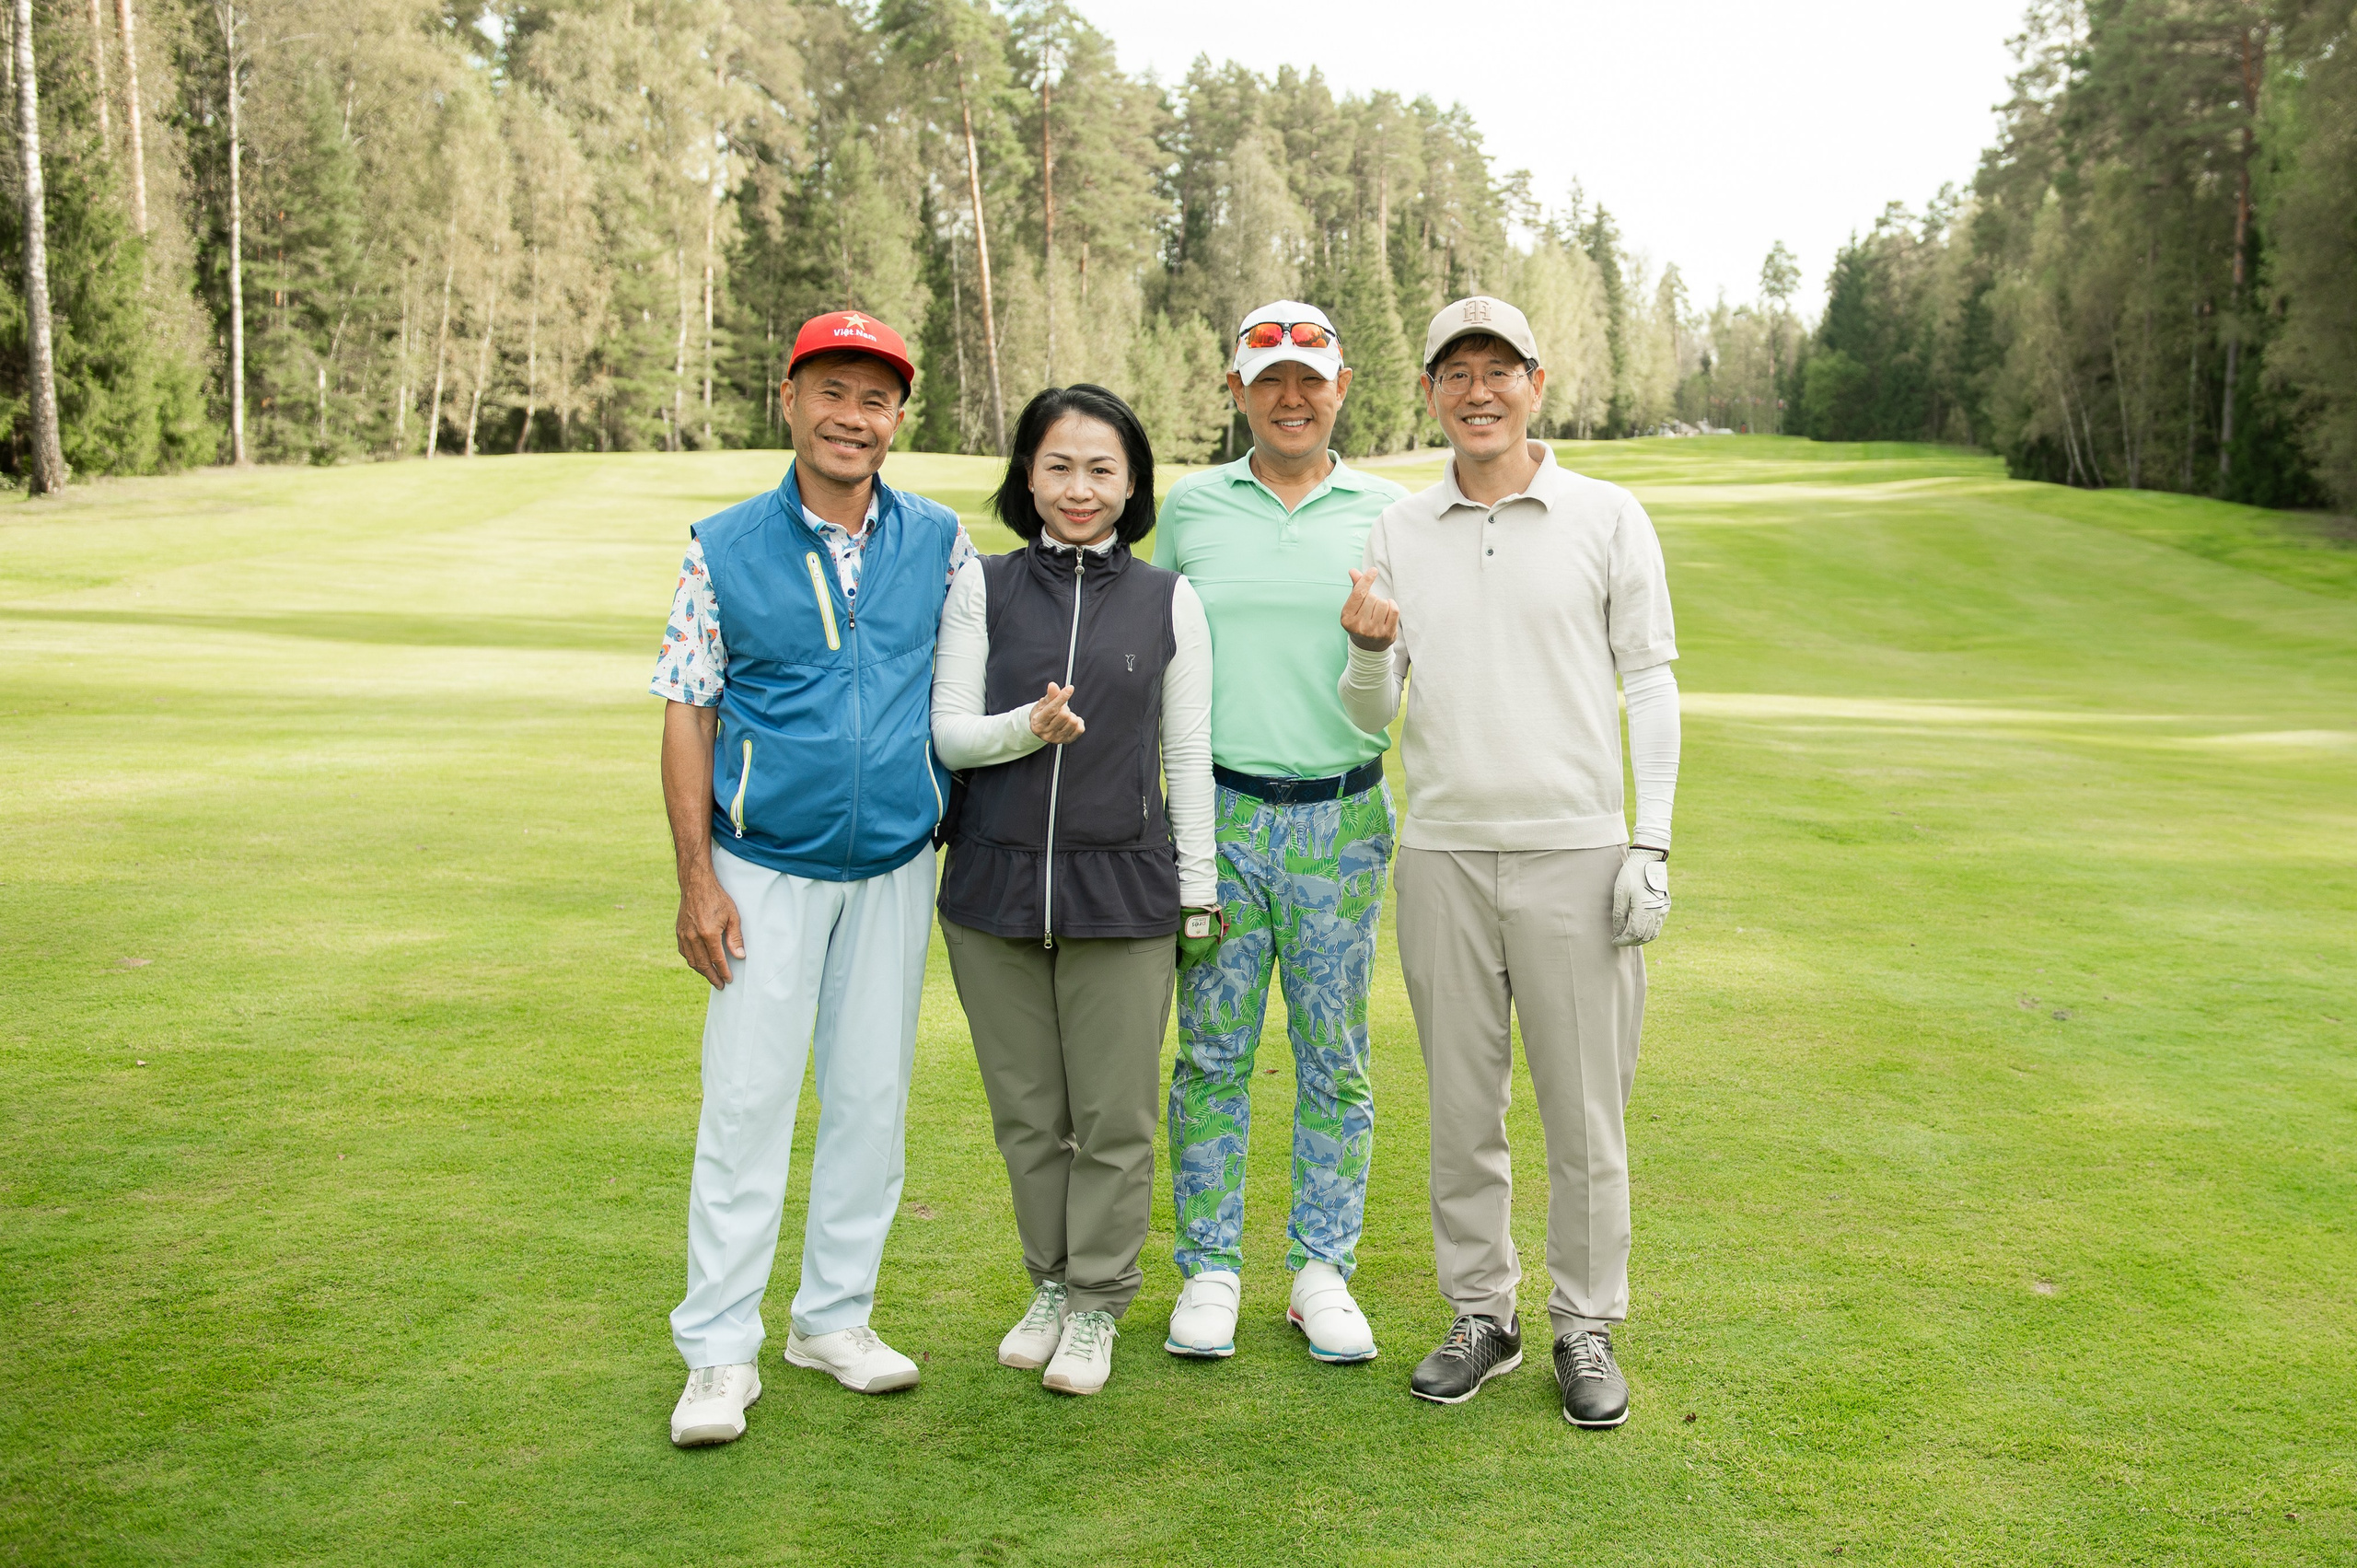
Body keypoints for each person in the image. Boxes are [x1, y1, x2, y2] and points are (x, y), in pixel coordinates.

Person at [1338, 296, 1679, 1429]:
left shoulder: (1606, 514)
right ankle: (1482, 1311)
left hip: (1575, 852)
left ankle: (1585, 1322)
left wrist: (1651, 839)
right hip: (1439, 850)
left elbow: (1650, 682)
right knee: (1460, 1108)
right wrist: (1366, 652)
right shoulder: (1399, 527)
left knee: (1586, 1113)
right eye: (1454, 372)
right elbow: (1365, 714)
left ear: (1535, 382)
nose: (1476, 391)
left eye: (1499, 369)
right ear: (1430, 391)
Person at [651, 309, 977, 1447]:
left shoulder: (939, 540)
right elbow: (688, 711)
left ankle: (832, 1317)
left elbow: (964, 697)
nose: (854, 416)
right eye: (832, 390)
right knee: (745, 1102)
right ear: (787, 398)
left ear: (899, 416)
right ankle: (718, 1349)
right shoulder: (724, 544)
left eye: (876, 397)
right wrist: (699, 879)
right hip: (763, 868)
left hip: (891, 865)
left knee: (871, 1099)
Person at [932, 385, 1215, 1397]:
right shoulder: (982, 584)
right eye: (1058, 465)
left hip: (1123, 893)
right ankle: (1048, 1284)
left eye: (1102, 468)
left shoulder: (1169, 598)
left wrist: (1200, 892)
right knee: (1027, 1114)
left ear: (1133, 482)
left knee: (1114, 1117)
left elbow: (1186, 754)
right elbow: (951, 731)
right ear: (1027, 477)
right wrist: (1027, 728)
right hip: (993, 886)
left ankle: (1096, 1301)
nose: (1079, 487)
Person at [1153, 301, 1410, 1365]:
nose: (1291, 397)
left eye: (1310, 377)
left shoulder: (1391, 514)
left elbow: (1387, 699)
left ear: (1340, 386)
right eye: (1270, 379)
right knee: (1209, 1052)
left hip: (1342, 817)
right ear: (1236, 391)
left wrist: (1368, 650)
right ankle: (1210, 1266)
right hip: (1215, 814)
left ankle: (1319, 1269)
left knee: (1334, 1055)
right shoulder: (1192, 509)